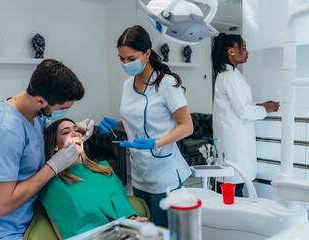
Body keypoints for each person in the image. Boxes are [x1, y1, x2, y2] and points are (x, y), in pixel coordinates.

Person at [0, 59, 94, 240]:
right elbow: (2, 206)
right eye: (62, 109)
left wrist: (74, 128)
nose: (64, 113)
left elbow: (36, 135)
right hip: (1, 232)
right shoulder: (3, 131)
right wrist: (53, 167)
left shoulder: (32, 114)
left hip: (30, 220)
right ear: (41, 101)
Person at [99, 25, 194, 227]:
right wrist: (116, 124)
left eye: (131, 58)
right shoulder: (127, 85)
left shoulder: (167, 83)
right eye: (122, 59)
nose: (125, 63)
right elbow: (138, 123)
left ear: (147, 53)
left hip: (165, 172)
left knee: (164, 231)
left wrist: (156, 143)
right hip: (140, 172)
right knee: (145, 229)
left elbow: (187, 126)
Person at [40, 118, 147, 239]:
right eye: (66, 132)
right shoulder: (55, 185)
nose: (75, 133)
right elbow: (68, 232)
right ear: (55, 146)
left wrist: (134, 221)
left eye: (77, 130)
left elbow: (125, 210)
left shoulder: (105, 171)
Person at [211, 33, 280, 197]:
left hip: (232, 142)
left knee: (233, 188)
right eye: (243, 48)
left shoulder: (230, 74)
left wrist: (261, 105)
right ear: (231, 51)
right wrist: (266, 109)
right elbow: (244, 111)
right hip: (234, 145)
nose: (247, 52)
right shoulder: (229, 77)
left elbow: (238, 106)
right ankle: (229, 221)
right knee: (233, 191)